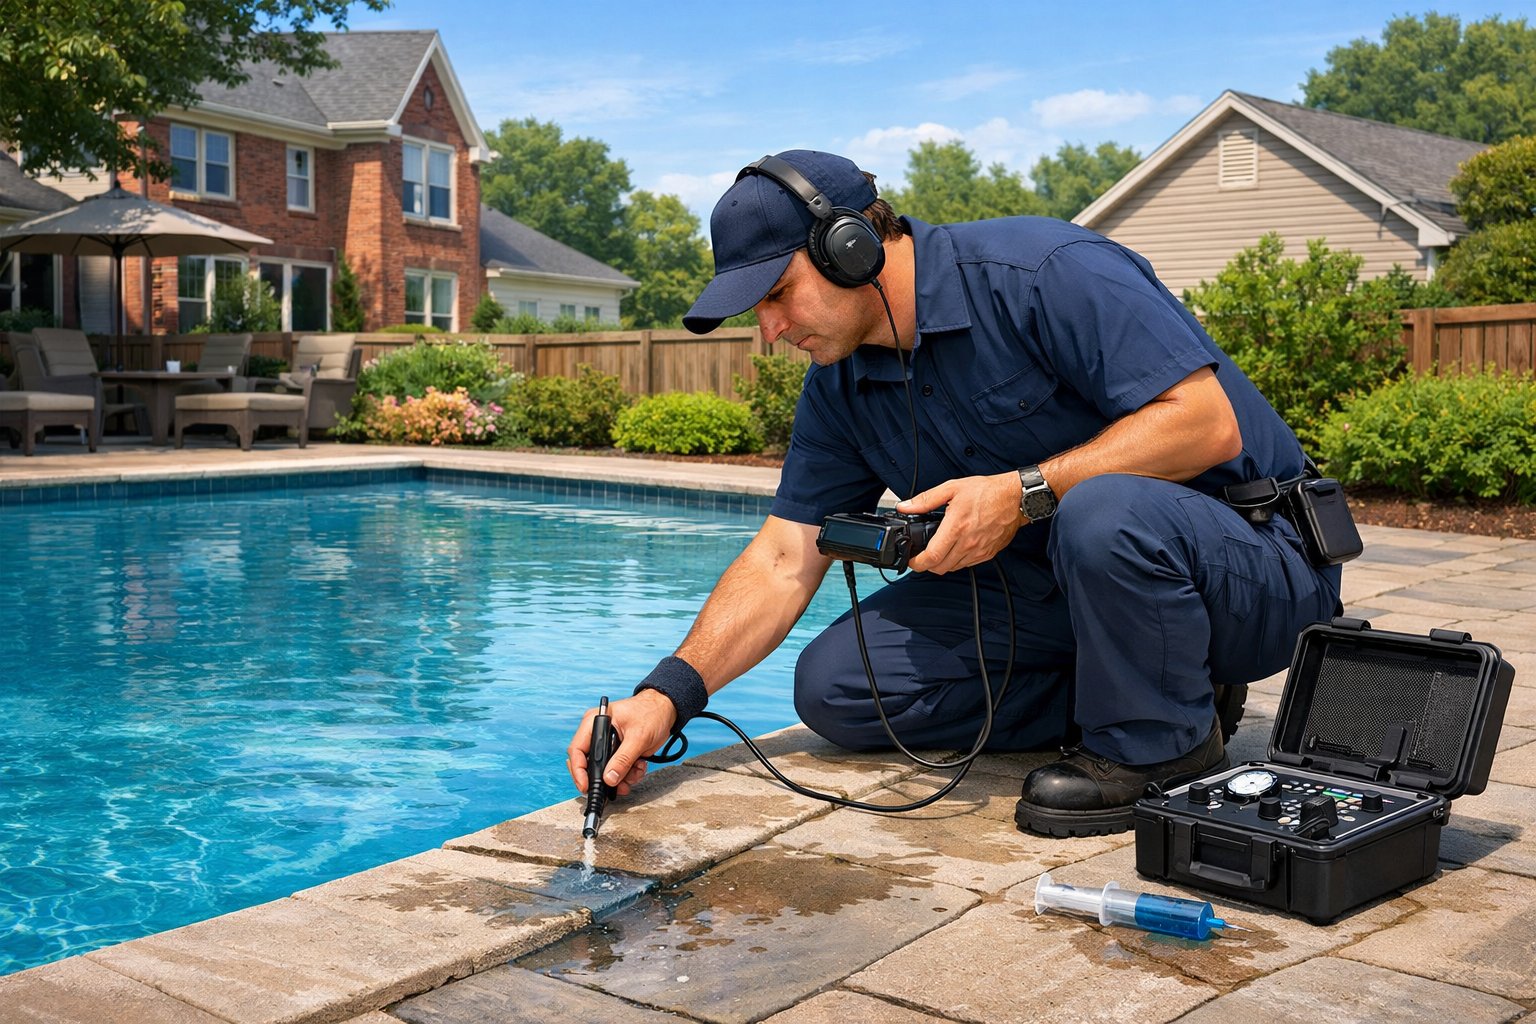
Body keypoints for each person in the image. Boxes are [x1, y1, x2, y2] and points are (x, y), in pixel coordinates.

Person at [567, 149, 1344, 837]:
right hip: (1062, 592)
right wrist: (666, 695)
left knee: (1102, 507)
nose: (768, 330)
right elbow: (782, 557)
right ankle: (1166, 684)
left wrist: (1026, 492)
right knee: (838, 686)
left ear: (848, 247)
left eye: (776, 295)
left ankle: (1160, 743)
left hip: (1256, 569)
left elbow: (1206, 426)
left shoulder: (1045, 271)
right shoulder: (839, 384)